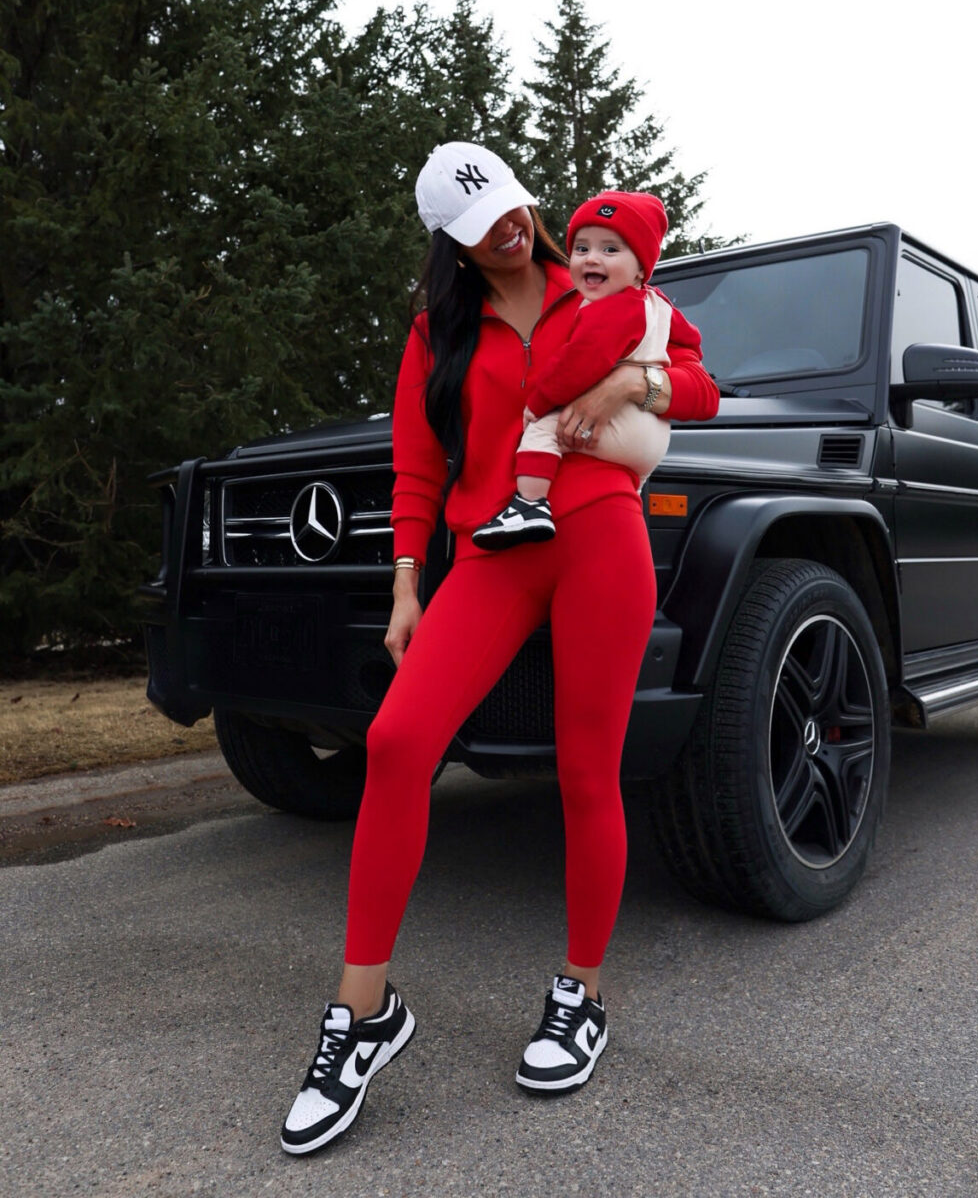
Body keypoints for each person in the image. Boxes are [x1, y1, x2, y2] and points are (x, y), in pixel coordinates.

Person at [280, 142, 719, 1156]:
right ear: (453, 242)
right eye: (486, 226)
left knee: (587, 770)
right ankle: (361, 1014)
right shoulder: (436, 331)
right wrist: (406, 583)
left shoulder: (603, 281)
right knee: (397, 742)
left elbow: (703, 387)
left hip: (602, 533)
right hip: (492, 550)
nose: (512, 229)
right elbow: (415, 464)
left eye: (516, 207)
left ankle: (582, 994)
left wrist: (634, 383)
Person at [473, 190, 694, 550]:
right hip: (651, 436)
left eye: (610, 249)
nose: (592, 258)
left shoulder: (611, 310)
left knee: (543, 428)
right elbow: (692, 340)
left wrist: (539, 401)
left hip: (620, 423)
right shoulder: (658, 304)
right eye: (581, 248)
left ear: (641, 268)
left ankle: (529, 503)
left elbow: (579, 363)